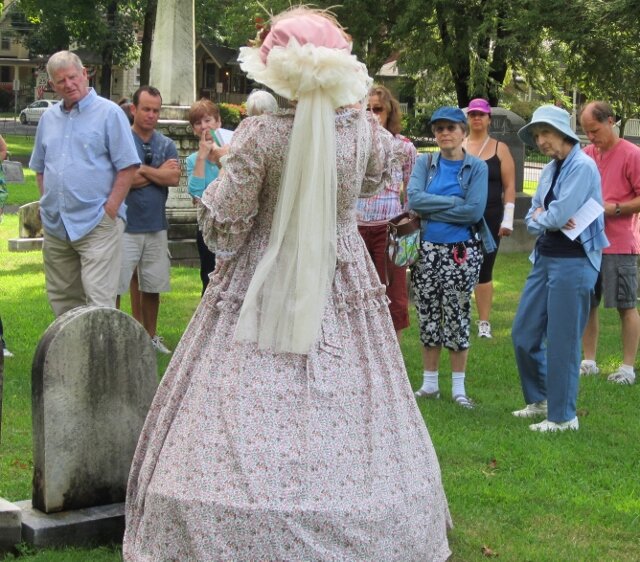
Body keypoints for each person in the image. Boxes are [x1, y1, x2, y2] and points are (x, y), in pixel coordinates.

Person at [124, 8, 451, 560]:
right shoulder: (364, 134)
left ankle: (229, 519)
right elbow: (378, 176)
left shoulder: (262, 135)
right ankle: (374, 513)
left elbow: (223, 225)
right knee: (356, 393)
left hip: (263, 272)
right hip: (340, 270)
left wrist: (213, 191)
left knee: (240, 393)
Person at [512, 105, 608, 432]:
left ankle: (564, 416)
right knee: (523, 333)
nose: (540, 141)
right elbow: (535, 217)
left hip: (575, 261)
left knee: (563, 341)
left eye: (546, 133)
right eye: (537, 135)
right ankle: (539, 400)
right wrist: (544, 216)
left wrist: (544, 215)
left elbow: (553, 215)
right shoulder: (552, 168)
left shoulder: (583, 166)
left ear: (563, 133)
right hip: (544, 258)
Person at [29, 51, 140, 317]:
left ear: (84, 74)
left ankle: (100, 360)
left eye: (72, 77)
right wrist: (47, 205)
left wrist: (110, 210)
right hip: (57, 225)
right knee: (63, 301)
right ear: (53, 86)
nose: (68, 84)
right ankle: (70, 357)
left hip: (97, 223)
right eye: (60, 81)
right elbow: (40, 168)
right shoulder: (48, 119)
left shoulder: (109, 113)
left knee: (98, 302)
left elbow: (128, 166)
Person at [408, 107, 491, 409]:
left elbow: (473, 211)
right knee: (428, 313)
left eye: (451, 128)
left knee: (456, 313)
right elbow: (414, 199)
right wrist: (453, 202)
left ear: (463, 131)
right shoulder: (424, 162)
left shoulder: (477, 168)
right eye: (439, 128)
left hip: (461, 251)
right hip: (426, 249)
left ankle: (458, 388)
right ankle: (429, 384)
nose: (444, 133)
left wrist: (435, 207)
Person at [579, 101, 640, 385]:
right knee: (587, 304)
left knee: (625, 305)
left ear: (611, 121)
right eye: (586, 132)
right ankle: (588, 361)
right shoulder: (586, 155)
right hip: (588, 244)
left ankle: (627, 368)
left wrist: (613, 208)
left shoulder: (632, 155)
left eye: (594, 130)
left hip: (619, 244)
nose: (591, 138)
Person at [117, 86, 180, 354]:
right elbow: (122, 181)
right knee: (116, 285)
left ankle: (150, 337)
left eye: (156, 110)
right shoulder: (121, 140)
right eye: (146, 109)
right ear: (134, 109)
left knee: (153, 285)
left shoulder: (166, 144)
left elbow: (174, 178)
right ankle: (117, 337)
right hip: (125, 225)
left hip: (156, 225)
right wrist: (156, 172)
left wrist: (140, 169)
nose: (151, 115)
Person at [356, 84, 417, 341]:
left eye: (378, 109)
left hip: (391, 228)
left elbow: (412, 193)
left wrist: (408, 236)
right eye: (366, 109)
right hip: (355, 228)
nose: (372, 115)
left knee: (393, 294)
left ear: (389, 111)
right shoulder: (353, 146)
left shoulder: (404, 147)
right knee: (358, 293)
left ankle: (395, 363)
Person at [463, 98, 516, 338]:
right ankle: (460, 317)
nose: (476, 118)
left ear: (488, 119)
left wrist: (508, 219)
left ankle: (484, 323)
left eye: (481, 115)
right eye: (472, 114)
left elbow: (510, 186)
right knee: (459, 267)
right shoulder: (459, 146)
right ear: (468, 118)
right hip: (462, 217)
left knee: (485, 269)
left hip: (491, 218)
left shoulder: (500, 148)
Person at [185, 99, 227, 294]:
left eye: (208, 120)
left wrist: (221, 159)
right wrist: (202, 157)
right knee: (208, 278)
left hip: (229, 225)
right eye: (198, 123)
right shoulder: (193, 160)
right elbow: (197, 194)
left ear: (218, 122)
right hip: (207, 228)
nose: (204, 127)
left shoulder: (231, 150)